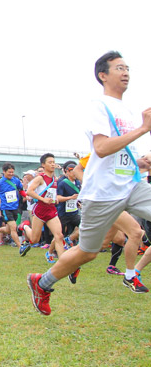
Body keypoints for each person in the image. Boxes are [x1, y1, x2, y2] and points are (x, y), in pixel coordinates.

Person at [29, 51, 151, 316]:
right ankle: (43, 282)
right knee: (88, 252)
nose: (126, 72)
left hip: (132, 185)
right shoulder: (99, 106)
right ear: (103, 75)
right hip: (104, 194)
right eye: (119, 68)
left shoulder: (128, 111)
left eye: (127, 67)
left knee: (136, 233)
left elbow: (119, 155)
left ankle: (131, 274)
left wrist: (140, 163)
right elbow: (102, 148)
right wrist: (142, 129)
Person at [0, 163, 26, 251]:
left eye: (12, 172)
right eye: (9, 172)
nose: (11, 174)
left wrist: (27, 196)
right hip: (6, 208)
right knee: (14, 227)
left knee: (8, 230)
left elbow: (21, 190)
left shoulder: (16, 180)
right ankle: (20, 247)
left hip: (15, 207)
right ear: (4, 172)